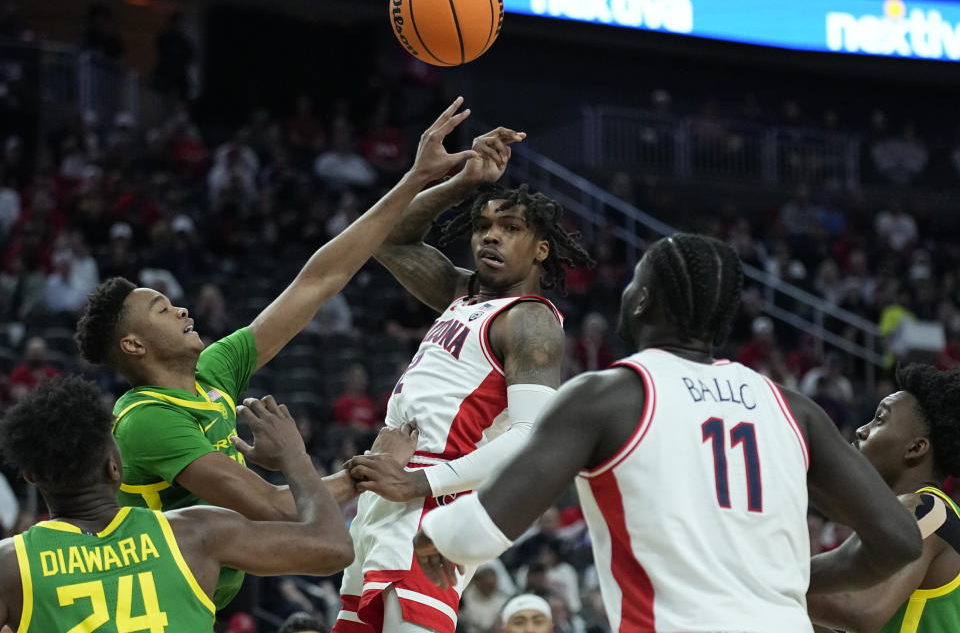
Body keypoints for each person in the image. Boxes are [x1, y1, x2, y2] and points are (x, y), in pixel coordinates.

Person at [72, 98, 477, 608]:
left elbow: (318, 281)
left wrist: (415, 177)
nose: (180, 310)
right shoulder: (146, 419)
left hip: (197, 597)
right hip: (142, 607)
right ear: (133, 345)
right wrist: (366, 470)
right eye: (160, 309)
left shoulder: (211, 371)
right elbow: (275, 508)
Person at [413, 233, 922, 632]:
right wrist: (795, 577)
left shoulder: (608, 396)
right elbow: (898, 541)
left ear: (643, 300)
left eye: (635, 281)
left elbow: (478, 529)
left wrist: (431, 535)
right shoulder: (792, 408)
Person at [333, 127, 593, 633]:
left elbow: (530, 439)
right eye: (482, 225)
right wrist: (461, 180)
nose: (489, 236)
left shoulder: (530, 320)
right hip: (390, 490)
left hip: (434, 499)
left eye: (510, 228)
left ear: (541, 250)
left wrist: (418, 481)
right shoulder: (463, 294)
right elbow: (386, 236)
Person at [0, 377, 353, 632]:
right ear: (114, 467)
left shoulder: (10, 565)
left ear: (30, 475)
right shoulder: (194, 532)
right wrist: (295, 457)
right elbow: (332, 548)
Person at [807, 363, 960, 632]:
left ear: (915, 447)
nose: (861, 430)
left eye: (879, 419)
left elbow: (861, 609)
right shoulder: (908, 516)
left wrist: (764, 579)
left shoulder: (927, 509)